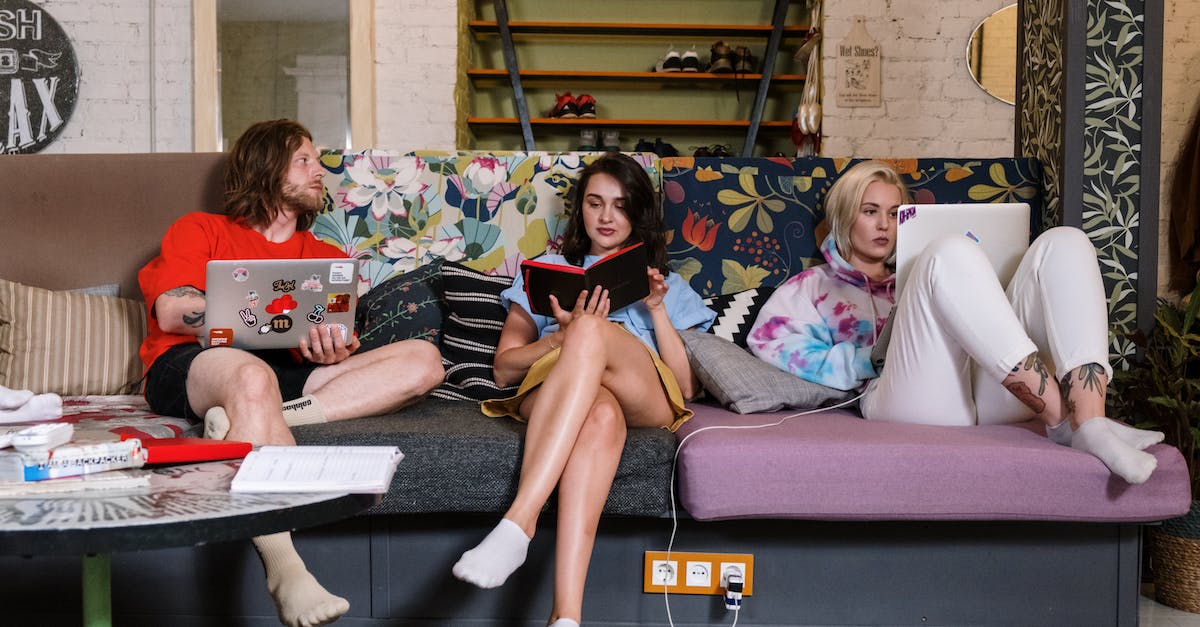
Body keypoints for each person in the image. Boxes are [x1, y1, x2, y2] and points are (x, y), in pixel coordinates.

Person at [138, 119, 444, 627]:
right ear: (265, 167)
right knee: (250, 376)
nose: (318, 170)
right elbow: (173, 312)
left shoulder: (325, 257)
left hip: (288, 375)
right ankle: (286, 569)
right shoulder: (200, 229)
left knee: (424, 360)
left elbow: (336, 348)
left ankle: (252, 420)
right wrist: (251, 310)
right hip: (194, 363)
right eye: (303, 159)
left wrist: (333, 351)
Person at [746, 160, 1165, 485]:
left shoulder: (908, 274)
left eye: (895, 213)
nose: (883, 225)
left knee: (1065, 242)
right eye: (870, 211)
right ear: (842, 217)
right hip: (905, 397)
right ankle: (1064, 421)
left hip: (992, 389)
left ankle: (1090, 420)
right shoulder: (812, 286)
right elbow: (768, 342)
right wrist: (865, 360)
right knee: (948, 252)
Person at [451, 153, 715, 626]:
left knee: (591, 331)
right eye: (595, 203)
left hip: (644, 389)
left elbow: (687, 387)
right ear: (581, 211)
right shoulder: (546, 271)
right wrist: (559, 336)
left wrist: (655, 309)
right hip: (555, 384)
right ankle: (566, 618)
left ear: (639, 214)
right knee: (599, 414)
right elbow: (505, 369)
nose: (607, 217)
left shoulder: (667, 285)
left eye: (620, 205)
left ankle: (520, 521)